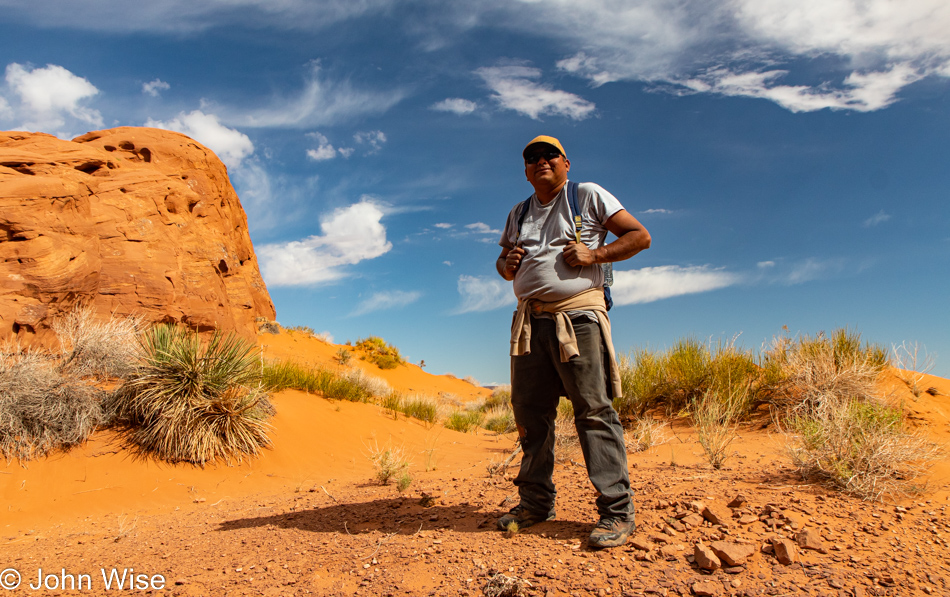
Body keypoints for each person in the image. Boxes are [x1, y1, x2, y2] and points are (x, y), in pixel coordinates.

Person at [495, 135, 651, 548]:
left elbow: (640, 237)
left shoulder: (588, 195)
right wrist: (506, 265)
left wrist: (594, 256)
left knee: (593, 411)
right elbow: (503, 261)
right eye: (531, 157)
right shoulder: (518, 212)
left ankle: (617, 511)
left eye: (549, 155)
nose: (540, 161)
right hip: (530, 324)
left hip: (578, 318)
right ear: (525, 169)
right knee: (530, 413)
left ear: (566, 163)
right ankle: (535, 504)